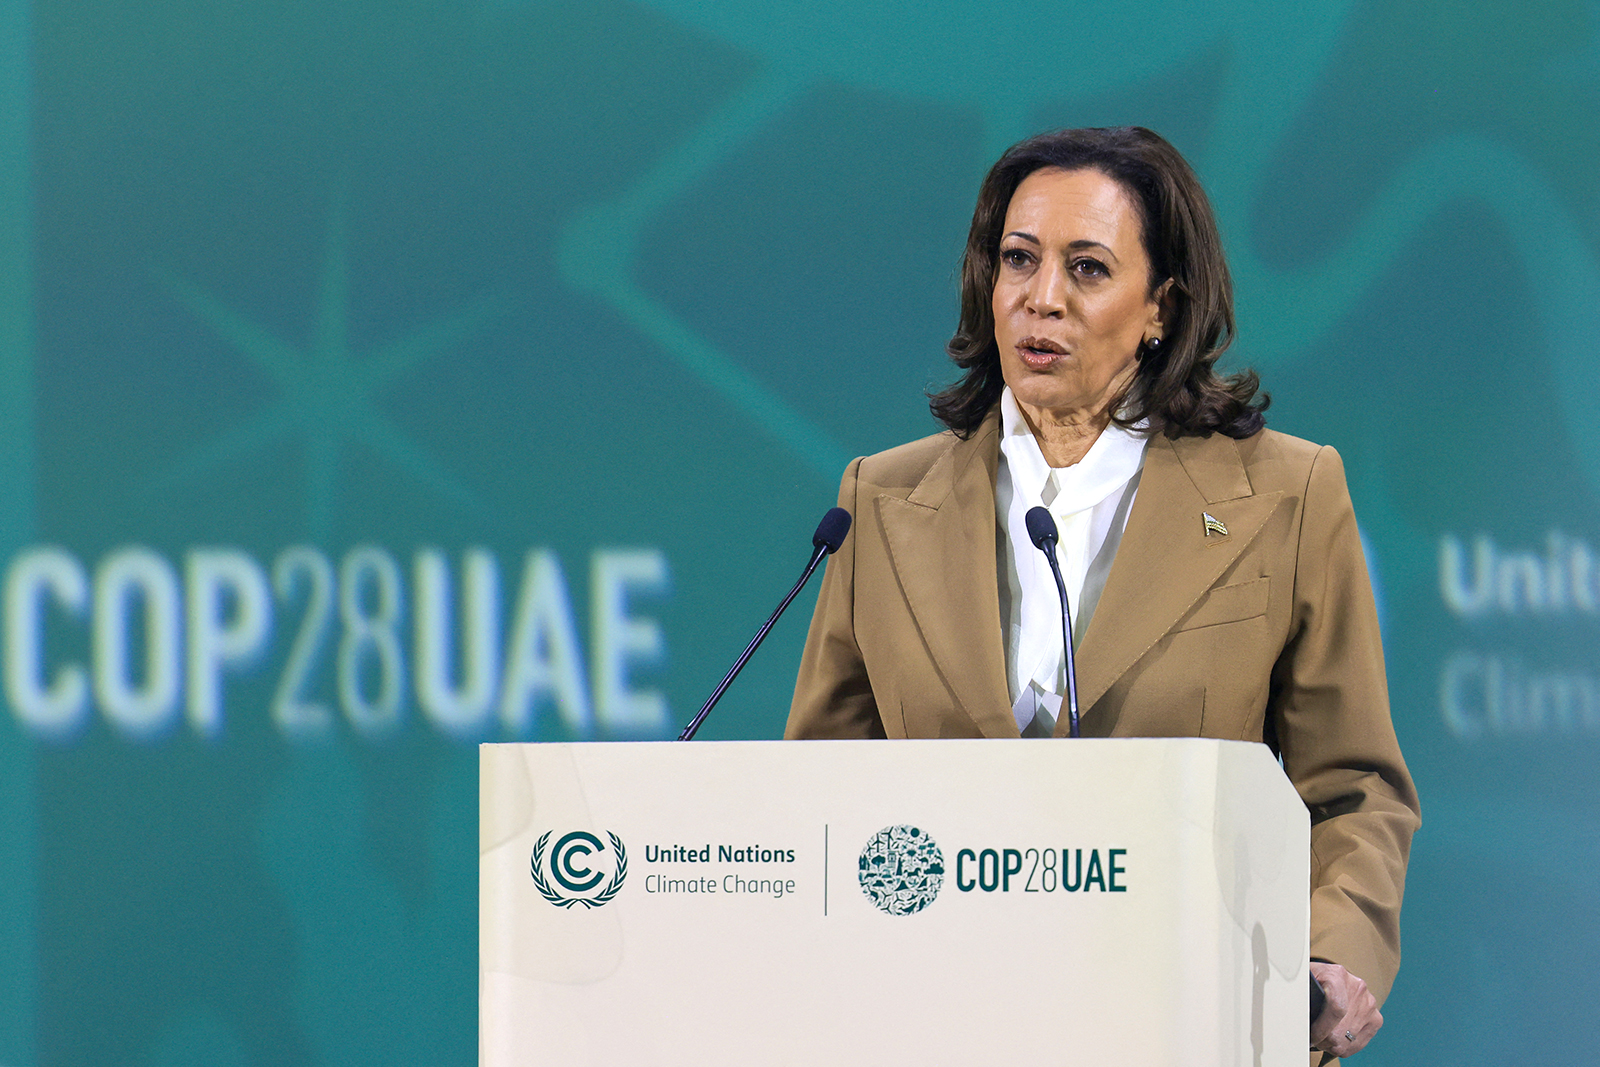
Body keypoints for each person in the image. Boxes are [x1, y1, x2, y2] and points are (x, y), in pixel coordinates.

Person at [784, 127, 1419, 1063]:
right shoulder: (879, 500)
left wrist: (1330, 954)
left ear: (1162, 305)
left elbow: (1353, 787)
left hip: (1183, 1015)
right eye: (1017, 260)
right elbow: (815, 794)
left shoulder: (1285, 494)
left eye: (1087, 268)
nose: (1042, 298)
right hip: (932, 1020)